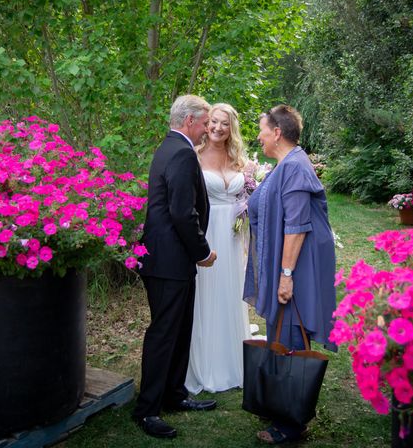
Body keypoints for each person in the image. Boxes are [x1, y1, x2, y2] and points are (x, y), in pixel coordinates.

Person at [243, 104, 336, 445]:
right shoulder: (286, 164)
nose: (260, 135)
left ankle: (291, 423)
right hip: (288, 265)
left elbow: (296, 227)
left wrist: (285, 275)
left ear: (278, 132)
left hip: (296, 267)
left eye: (263, 130)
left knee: (293, 334)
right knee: (281, 332)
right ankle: (280, 402)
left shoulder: (295, 166)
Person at [133, 94, 219, 439]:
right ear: (189, 121)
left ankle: (174, 394)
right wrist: (202, 251)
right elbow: (183, 212)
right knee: (164, 334)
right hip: (170, 260)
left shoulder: (169, 147)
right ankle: (147, 410)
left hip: (170, 259)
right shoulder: (182, 152)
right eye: (204, 122)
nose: (206, 129)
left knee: (180, 329)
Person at [185, 103, 252, 394]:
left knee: (231, 293)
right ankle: (207, 363)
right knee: (207, 293)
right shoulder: (194, 157)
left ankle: (233, 361)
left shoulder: (241, 162)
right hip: (208, 231)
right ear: (206, 123)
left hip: (234, 235)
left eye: (224, 123)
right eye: (213, 121)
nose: (217, 128)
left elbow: (247, 198)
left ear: (231, 128)